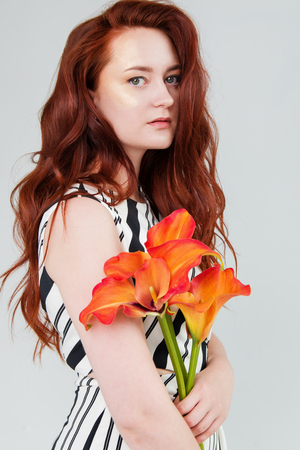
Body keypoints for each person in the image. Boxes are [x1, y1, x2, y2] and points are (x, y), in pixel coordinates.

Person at [1, 1, 235, 449]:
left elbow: (191, 332)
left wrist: (221, 373)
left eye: (171, 77)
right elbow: (138, 415)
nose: (165, 96)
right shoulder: (84, 213)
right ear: (90, 95)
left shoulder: (151, 209)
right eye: (136, 79)